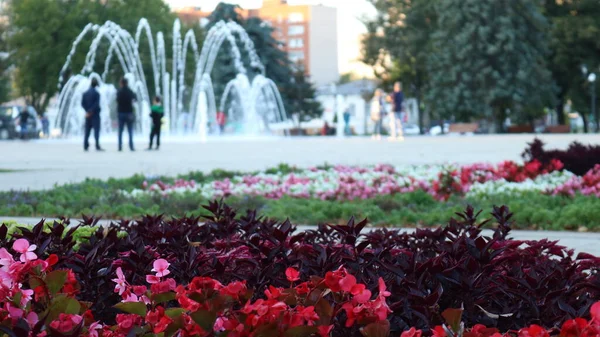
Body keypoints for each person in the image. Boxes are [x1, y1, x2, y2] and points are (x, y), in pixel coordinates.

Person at [81, 79, 104, 151]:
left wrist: (87, 111)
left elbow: (82, 104)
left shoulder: (85, 93)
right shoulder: (97, 93)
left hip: (88, 115)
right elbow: (96, 104)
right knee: (96, 130)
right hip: (95, 115)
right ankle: (97, 145)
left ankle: (85, 145)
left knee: (87, 131)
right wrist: (91, 111)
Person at [116, 77, 137, 151]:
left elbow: (117, 100)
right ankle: (131, 146)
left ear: (121, 83)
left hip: (121, 112)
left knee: (120, 131)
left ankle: (120, 146)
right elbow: (135, 99)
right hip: (129, 112)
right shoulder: (130, 91)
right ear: (127, 83)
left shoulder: (119, 91)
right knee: (130, 130)